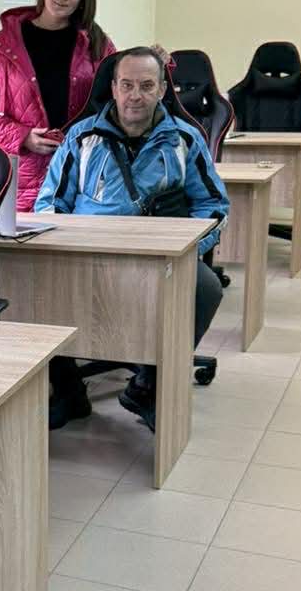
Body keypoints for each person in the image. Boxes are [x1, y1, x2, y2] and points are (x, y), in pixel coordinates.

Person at [35, 46, 230, 432]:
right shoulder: (82, 137)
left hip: (160, 258)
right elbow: (50, 203)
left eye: (146, 85)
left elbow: (214, 207)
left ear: (162, 90)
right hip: (88, 253)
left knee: (206, 288)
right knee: (34, 283)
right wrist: (61, 245)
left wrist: (187, 248)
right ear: (113, 88)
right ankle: (67, 389)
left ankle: (148, 385)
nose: (135, 95)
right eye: (126, 85)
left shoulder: (185, 139)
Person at [0, 0, 114, 214]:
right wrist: (21, 136)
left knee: (80, 240)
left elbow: (123, 91)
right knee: (26, 240)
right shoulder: (3, 44)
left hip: (83, 173)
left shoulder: (97, 43)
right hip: (25, 176)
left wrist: (160, 64)